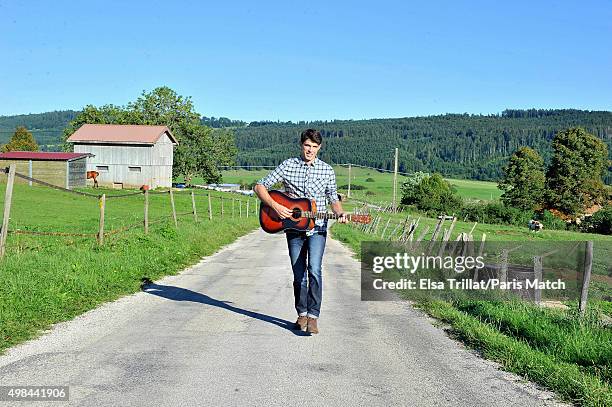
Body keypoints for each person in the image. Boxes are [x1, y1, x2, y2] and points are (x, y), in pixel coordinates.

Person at [254, 129, 347, 334]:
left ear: (319, 148)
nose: (310, 150)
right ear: (301, 145)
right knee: (299, 275)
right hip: (294, 229)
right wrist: (275, 206)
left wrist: (339, 213)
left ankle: (313, 317)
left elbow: (333, 199)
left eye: (314, 147)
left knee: (314, 270)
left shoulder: (327, 170)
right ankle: (302, 313)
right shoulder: (288, 165)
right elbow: (259, 186)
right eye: (307, 146)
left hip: (318, 228)